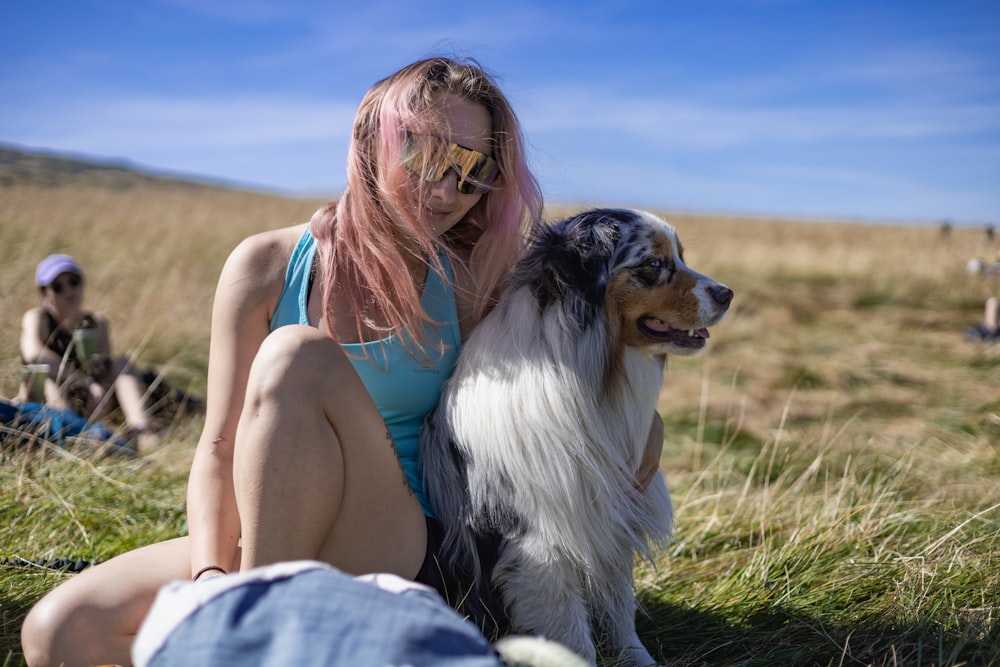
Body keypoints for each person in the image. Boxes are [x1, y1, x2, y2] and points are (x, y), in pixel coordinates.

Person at [21, 56, 664, 667]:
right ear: (370, 138)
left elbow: (577, 379)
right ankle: (247, 610)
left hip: (407, 538)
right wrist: (213, 578)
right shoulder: (264, 267)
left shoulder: (473, 275)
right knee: (59, 631)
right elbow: (217, 445)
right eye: (429, 153)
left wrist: (640, 432)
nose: (449, 189)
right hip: (267, 533)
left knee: (297, 356)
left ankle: (253, 629)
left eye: (476, 170)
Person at [19, 254, 160, 452]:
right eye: (58, 287)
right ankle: (71, 438)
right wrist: (80, 380)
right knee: (49, 380)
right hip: (52, 402)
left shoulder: (97, 323)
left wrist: (96, 379)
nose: (68, 291)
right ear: (45, 293)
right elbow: (33, 354)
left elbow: (105, 367)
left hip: (94, 401)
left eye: (73, 282)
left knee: (123, 364)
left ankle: (142, 429)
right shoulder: (38, 319)